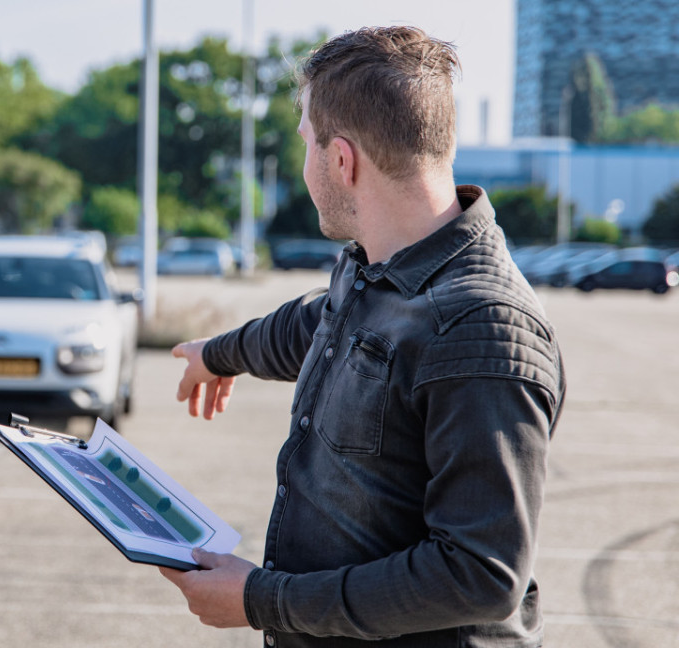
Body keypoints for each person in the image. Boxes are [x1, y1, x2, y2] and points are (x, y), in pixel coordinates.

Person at [161, 26, 565, 647]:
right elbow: (317, 324)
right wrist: (219, 354)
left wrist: (261, 600)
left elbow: (479, 575)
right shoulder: (375, 266)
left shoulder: (483, 330)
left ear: (341, 159)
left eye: (306, 145)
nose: (304, 165)